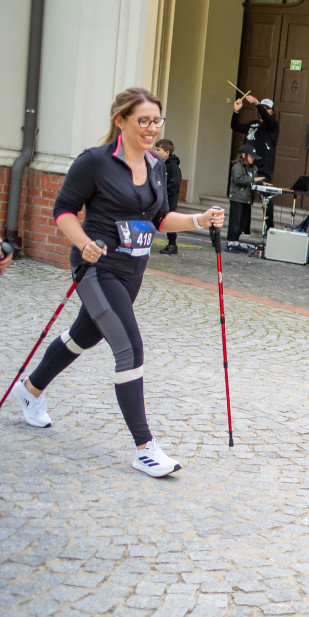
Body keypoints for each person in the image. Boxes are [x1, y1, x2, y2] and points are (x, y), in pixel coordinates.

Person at [10, 87, 225, 478]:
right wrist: (84, 242)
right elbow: (63, 211)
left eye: (156, 121)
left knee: (85, 335)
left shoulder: (156, 165)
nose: (151, 128)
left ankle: (31, 390)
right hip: (97, 266)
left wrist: (199, 220)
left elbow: (160, 219)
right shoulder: (94, 162)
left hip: (133, 268)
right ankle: (144, 448)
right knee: (129, 347)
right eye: (143, 120)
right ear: (120, 121)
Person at [231, 95, 278, 228]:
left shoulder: (272, 126)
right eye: (263, 108)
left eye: (268, 108)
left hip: (263, 167)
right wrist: (236, 111)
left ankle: (269, 229)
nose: (264, 110)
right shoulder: (252, 124)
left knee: (265, 198)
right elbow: (235, 126)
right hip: (247, 166)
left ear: (272, 111)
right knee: (243, 198)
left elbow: (268, 120)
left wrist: (258, 103)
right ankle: (241, 230)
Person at [226, 144, 263, 251]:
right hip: (237, 198)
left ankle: (236, 241)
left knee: (242, 222)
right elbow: (238, 180)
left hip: (247, 199)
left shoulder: (253, 168)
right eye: (251, 156)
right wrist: (254, 180)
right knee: (235, 221)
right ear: (243, 155)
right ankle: (231, 242)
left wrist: (262, 182)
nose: (253, 159)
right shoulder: (237, 167)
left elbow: (255, 179)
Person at [154, 139, 181, 254]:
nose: (155, 151)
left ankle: (172, 244)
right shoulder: (159, 165)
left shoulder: (173, 167)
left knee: (169, 222)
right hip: (157, 199)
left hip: (169, 201)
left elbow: (174, 185)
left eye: (158, 149)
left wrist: (162, 192)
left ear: (167, 152)